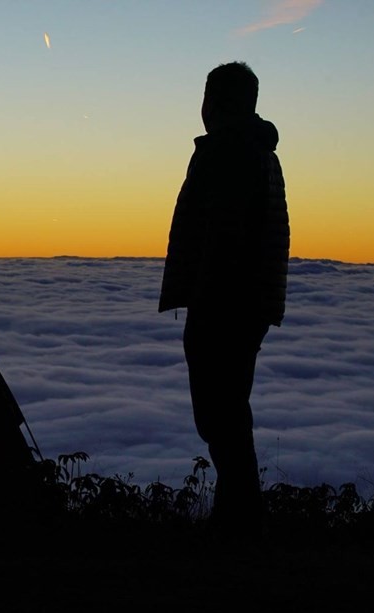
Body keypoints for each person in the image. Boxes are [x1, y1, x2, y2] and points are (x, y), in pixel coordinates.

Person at [159, 61, 290, 535]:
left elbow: (224, 238)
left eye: (208, 97)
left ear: (217, 102)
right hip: (245, 302)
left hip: (224, 303)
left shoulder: (229, 153)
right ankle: (239, 514)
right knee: (229, 410)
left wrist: (205, 299)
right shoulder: (257, 152)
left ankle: (240, 519)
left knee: (220, 413)